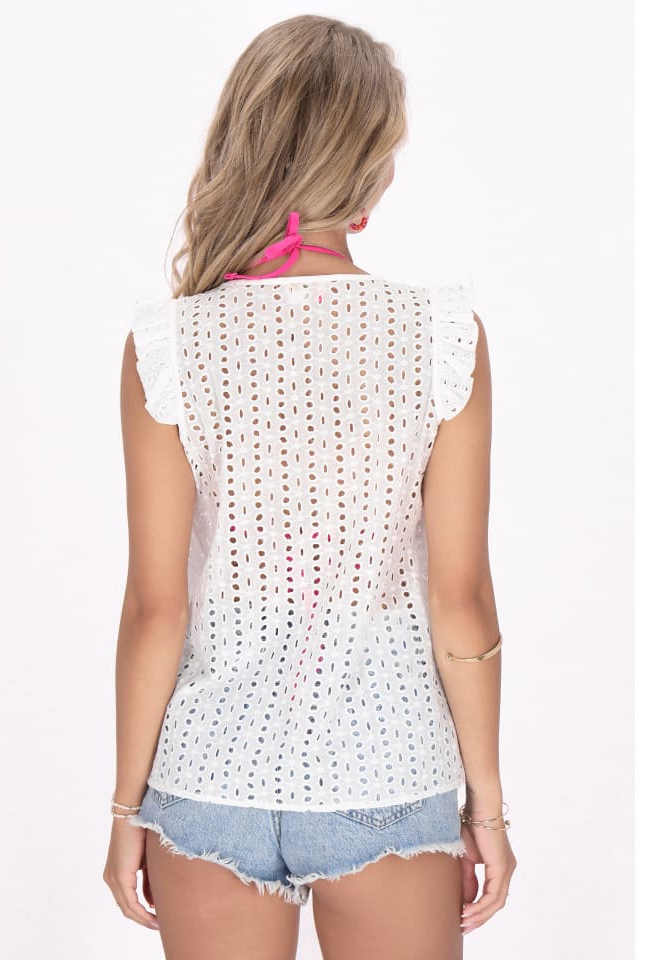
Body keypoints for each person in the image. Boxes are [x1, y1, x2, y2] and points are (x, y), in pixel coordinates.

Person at [103, 14, 516, 960]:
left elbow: (155, 608)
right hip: (387, 777)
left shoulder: (168, 344)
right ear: (369, 165)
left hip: (204, 781)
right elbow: (461, 600)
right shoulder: (442, 337)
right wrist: (488, 808)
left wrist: (127, 808)